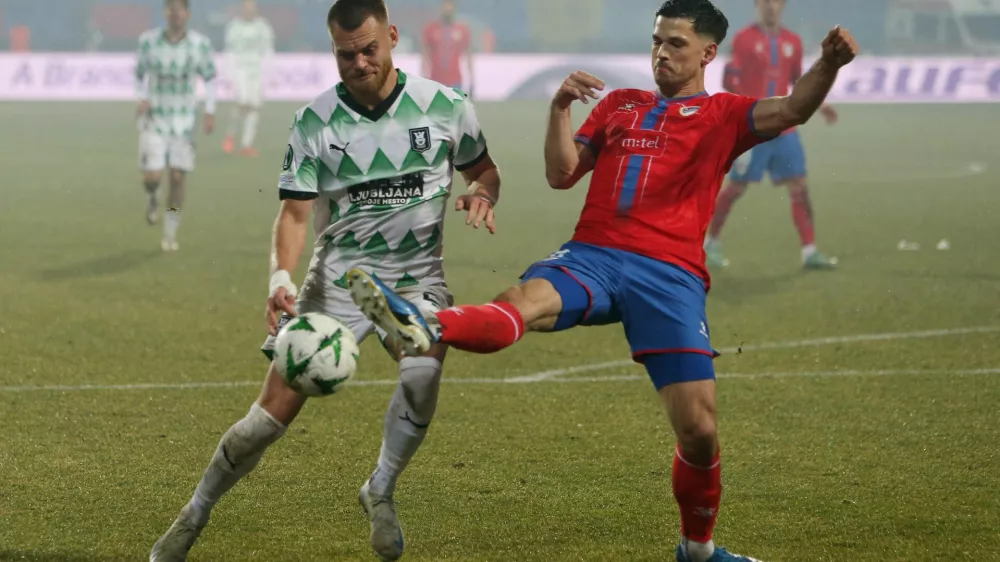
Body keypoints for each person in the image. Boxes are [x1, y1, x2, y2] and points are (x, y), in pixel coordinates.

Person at [347, 1, 857, 560]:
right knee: (522, 301)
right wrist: (559, 108)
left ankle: (698, 550)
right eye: (657, 41)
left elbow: (793, 108)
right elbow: (561, 174)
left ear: (708, 53)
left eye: (676, 44)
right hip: (593, 255)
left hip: (670, 276)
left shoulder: (725, 114)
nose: (661, 52)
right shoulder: (620, 105)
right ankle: (424, 324)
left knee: (699, 430)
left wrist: (829, 64)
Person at [149, 0, 500, 560]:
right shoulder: (315, 121)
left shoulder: (446, 106)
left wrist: (482, 193)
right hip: (338, 282)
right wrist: (279, 278)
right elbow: (293, 214)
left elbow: (483, 170)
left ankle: (380, 489)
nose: (359, 63)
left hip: (413, 279)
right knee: (265, 423)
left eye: (369, 50)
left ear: (392, 36)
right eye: (345, 54)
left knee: (421, 369)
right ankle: (194, 513)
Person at [704, 0, 839, 270]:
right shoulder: (744, 39)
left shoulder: (793, 41)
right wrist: (745, 109)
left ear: (783, 5)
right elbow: (729, 79)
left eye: (775, 1)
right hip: (753, 129)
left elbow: (800, 81)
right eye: (765, 1)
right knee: (736, 188)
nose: (771, 7)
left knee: (799, 187)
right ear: (757, 5)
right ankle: (711, 242)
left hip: (785, 129)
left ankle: (809, 251)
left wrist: (820, 104)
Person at [135, 0, 217, 252]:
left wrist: (210, 110)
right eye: (171, 9)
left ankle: (170, 231)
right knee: (152, 178)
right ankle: (152, 196)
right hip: (155, 118)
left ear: (187, 14)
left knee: (178, 178)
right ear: (165, 12)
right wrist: (141, 97)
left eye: (180, 9)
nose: (175, 14)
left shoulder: (199, 45)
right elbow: (139, 74)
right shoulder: (148, 42)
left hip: (184, 121)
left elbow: (210, 78)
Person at [222, 0, 275, 157]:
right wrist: (229, 74)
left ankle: (246, 145)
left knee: (255, 106)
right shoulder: (234, 27)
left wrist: (270, 72)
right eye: (247, 8)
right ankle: (231, 133)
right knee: (243, 102)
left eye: (252, 8)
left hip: (257, 70)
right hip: (240, 69)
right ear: (242, 9)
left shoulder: (263, 26)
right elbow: (229, 51)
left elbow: (268, 49)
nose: (249, 11)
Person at [421, 0, 473, 92]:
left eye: (450, 8)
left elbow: (468, 55)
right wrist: (423, 77)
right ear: (441, 9)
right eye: (445, 7)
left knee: (454, 101)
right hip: (435, 79)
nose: (448, 10)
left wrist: (472, 79)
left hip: (455, 79)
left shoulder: (462, 30)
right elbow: (425, 55)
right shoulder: (431, 29)